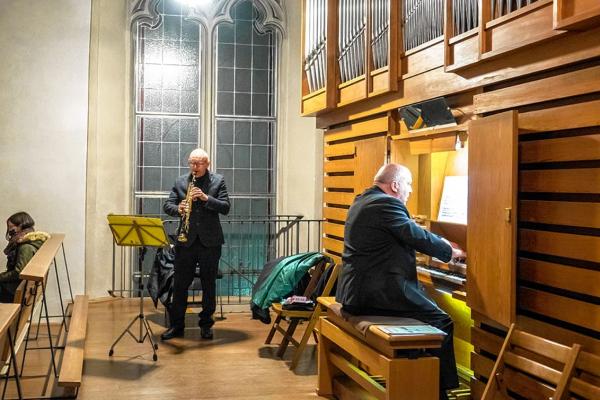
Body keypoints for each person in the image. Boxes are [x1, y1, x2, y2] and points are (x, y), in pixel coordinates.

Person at [335, 163, 465, 400]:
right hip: (376, 293)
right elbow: (414, 234)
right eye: (409, 184)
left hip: (357, 291)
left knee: (423, 298)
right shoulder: (386, 203)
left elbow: (410, 231)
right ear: (395, 185)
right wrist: (449, 250)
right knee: (442, 321)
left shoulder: (363, 199)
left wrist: (437, 243)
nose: (411, 190)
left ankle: (417, 372)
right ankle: (437, 391)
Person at [161, 148, 230, 341]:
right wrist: (179, 208)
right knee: (180, 285)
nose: (194, 167)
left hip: (210, 242)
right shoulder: (181, 181)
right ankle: (176, 325)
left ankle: (206, 325)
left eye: (199, 163)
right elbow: (168, 205)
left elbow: (225, 207)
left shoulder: (218, 181)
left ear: (207, 164)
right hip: (186, 241)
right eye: (191, 163)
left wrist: (206, 198)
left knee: (209, 285)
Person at [2, 212, 49, 303]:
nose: (9, 230)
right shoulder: (32, 241)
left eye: (11, 227)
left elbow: (18, 273)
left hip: (15, 290)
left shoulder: (26, 247)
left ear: (22, 226)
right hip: (23, 288)